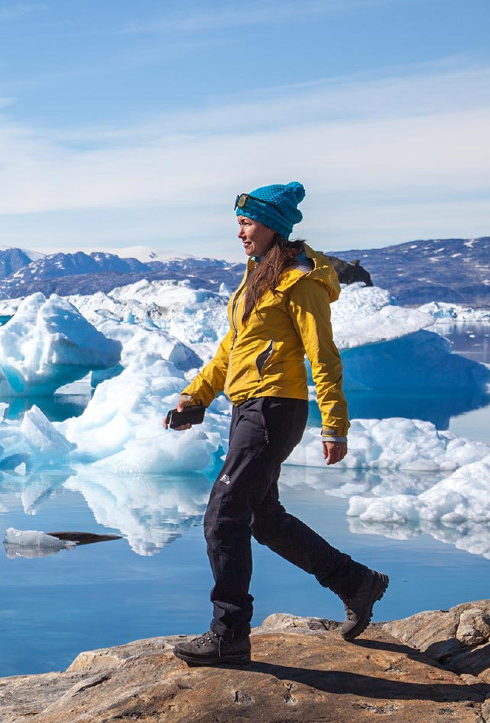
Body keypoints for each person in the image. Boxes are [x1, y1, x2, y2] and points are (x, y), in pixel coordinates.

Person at [166, 181, 388, 667]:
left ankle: (229, 634)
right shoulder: (255, 278)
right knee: (262, 518)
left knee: (223, 516)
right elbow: (233, 349)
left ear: (273, 227)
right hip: (247, 408)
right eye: (240, 223)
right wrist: (196, 396)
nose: (241, 232)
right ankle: (356, 583)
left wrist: (335, 424)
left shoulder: (298, 280)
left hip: (274, 409)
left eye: (248, 223)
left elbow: (322, 355)